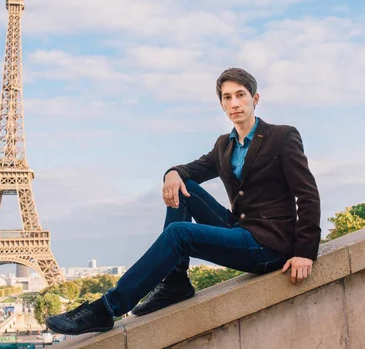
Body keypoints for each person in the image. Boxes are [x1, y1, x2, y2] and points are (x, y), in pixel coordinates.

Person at [45, 68, 321, 335]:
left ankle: (107, 308)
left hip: (269, 245)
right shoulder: (224, 145)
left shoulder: (281, 137)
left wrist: (305, 252)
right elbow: (193, 170)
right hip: (240, 228)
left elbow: (307, 193)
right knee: (183, 186)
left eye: (240, 95)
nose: (234, 103)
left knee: (178, 234)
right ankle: (176, 281)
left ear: (255, 99)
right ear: (222, 104)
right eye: (227, 97)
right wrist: (172, 174)